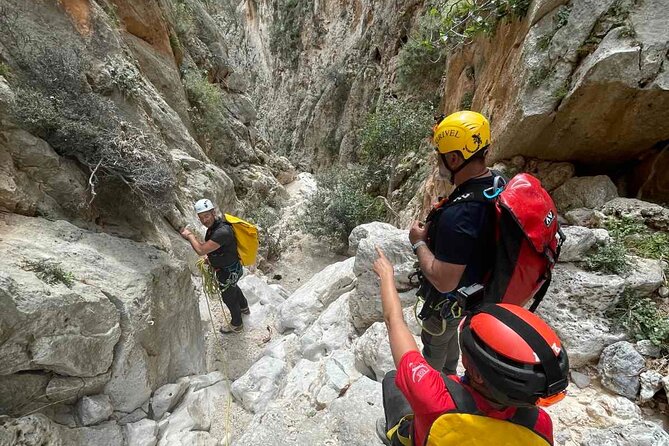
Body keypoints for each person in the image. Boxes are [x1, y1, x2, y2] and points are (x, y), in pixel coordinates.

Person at [373, 247, 568, 446]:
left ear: (475, 373)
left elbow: (394, 321)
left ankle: (397, 435)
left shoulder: (433, 397)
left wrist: (386, 275)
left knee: (392, 379)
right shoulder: (541, 426)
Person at [409, 110, 497, 375]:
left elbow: (444, 279)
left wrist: (418, 243)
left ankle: (434, 399)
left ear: (454, 158)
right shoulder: (495, 181)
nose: (439, 162)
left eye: (440, 156)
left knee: (435, 345)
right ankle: (450, 376)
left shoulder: (461, 214)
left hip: (451, 298)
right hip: (476, 290)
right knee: (449, 339)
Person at [180, 198, 249, 333]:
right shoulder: (215, 227)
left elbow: (200, 250)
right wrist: (211, 259)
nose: (204, 220)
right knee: (233, 287)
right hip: (232, 268)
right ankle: (244, 307)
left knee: (228, 296)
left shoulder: (221, 232)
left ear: (213, 212)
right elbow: (217, 248)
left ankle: (237, 323)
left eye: (206, 216)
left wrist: (189, 236)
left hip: (228, 271)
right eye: (201, 218)